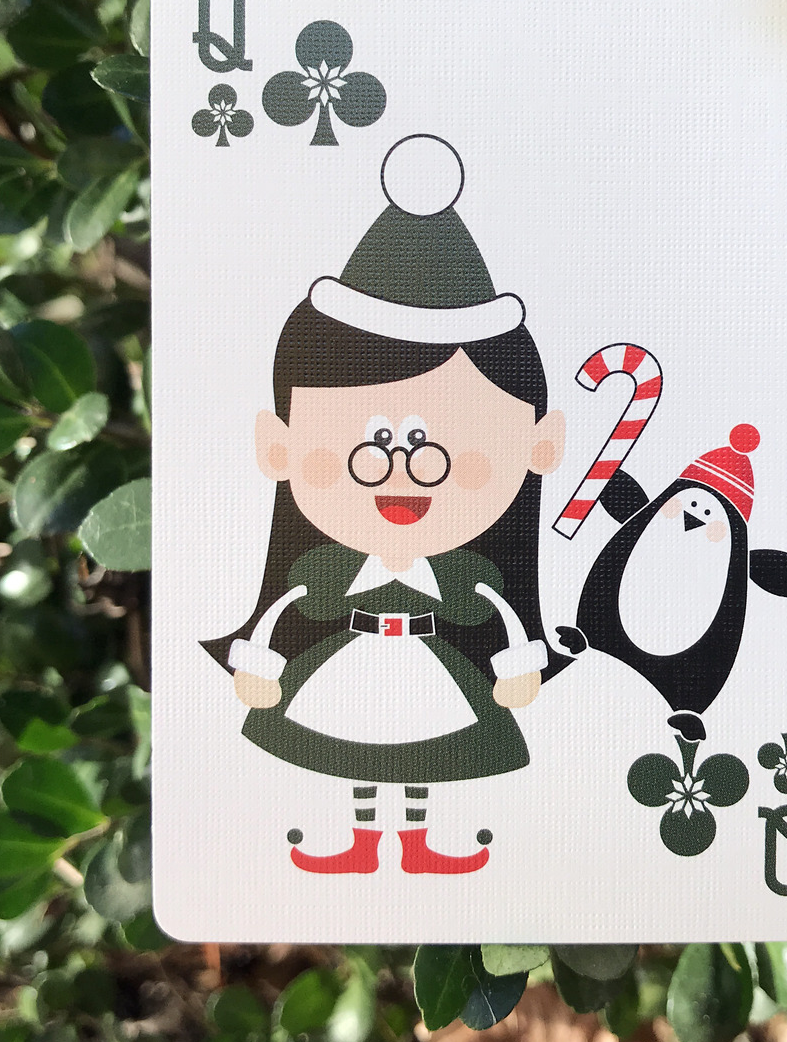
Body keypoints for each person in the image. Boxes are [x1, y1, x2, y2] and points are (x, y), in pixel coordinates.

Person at [203, 136, 566, 875]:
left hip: (435, 674)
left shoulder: (469, 580)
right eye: (368, 445)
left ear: (539, 445)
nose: (402, 472)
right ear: (277, 446)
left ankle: (421, 842)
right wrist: (259, 661)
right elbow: (279, 617)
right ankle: (365, 841)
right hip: (349, 670)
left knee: (427, 753)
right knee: (359, 753)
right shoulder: (322, 571)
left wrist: (520, 662)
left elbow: (502, 620)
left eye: (442, 445)